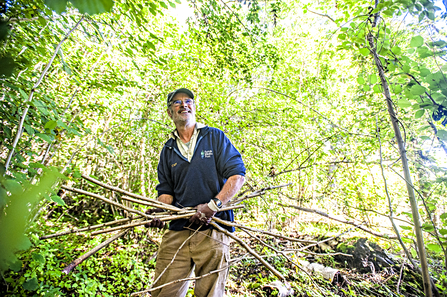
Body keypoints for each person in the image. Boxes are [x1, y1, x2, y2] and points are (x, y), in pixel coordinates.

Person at [147, 88, 245, 297]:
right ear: (169, 112)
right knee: (162, 292)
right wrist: (159, 212)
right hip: (178, 229)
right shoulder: (168, 149)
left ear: (194, 107)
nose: (184, 105)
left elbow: (237, 176)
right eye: (177, 102)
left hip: (214, 229)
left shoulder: (214, 137)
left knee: (209, 293)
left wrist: (212, 207)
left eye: (188, 101)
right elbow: (166, 191)